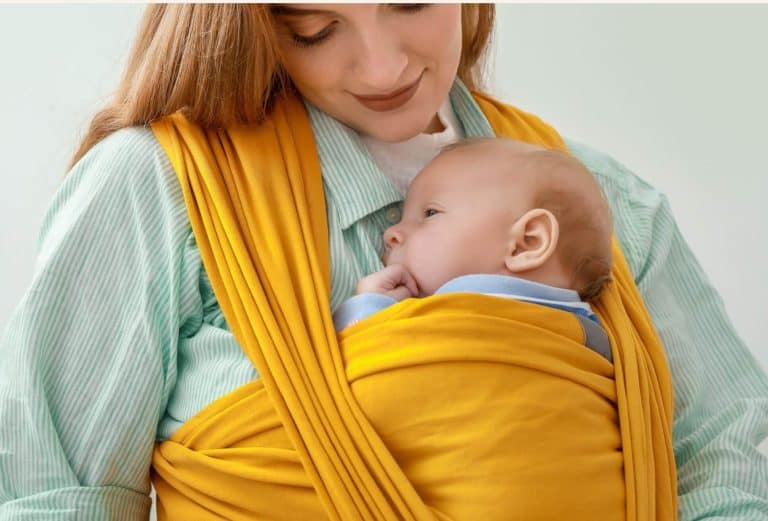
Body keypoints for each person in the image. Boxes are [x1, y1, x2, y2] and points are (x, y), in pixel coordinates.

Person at [0, 4, 764, 521]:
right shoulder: (159, 189)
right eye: (315, 29)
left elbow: (725, 463)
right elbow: (55, 494)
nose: (382, 64)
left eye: (410, 1)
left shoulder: (603, 201)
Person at [333, 138, 613, 363]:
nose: (391, 233)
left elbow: (369, 364)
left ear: (527, 242)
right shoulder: (594, 341)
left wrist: (368, 307)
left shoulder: (453, 319)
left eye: (430, 213)